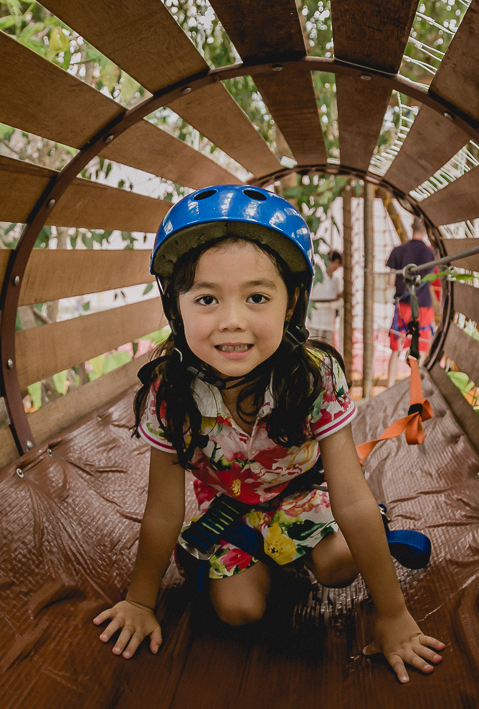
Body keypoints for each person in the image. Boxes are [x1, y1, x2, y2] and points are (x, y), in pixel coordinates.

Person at [92, 185, 445, 684]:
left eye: (257, 297)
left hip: (301, 495)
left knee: (341, 564)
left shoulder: (313, 377)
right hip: (231, 513)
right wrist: (139, 600)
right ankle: (277, 558)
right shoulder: (171, 392)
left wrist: (393, 614)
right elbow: (165, 508)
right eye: (207, 299)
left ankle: (313, 549)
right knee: (239, 611)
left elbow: (350, 495)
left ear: (291, 301)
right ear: (176, 305)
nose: (232, 321)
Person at [385, 218, 436, 388]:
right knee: (420, 348)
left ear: (411, 227)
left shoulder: (398, 251)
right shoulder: (430, 254)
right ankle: (416, 387)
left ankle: (390, 385)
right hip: (423, 307)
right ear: (425, 231)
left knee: (396, 347)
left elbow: (391, 281)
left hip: (403, 306)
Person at [307, 251, 343, 346]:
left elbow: (339, 295)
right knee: (313, 346)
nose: (336, 265)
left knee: (327, 348)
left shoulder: (336, 280)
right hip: (316, 319)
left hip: (329, 320)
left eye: (338, 263)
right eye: (335, 262)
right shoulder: (318, 276)